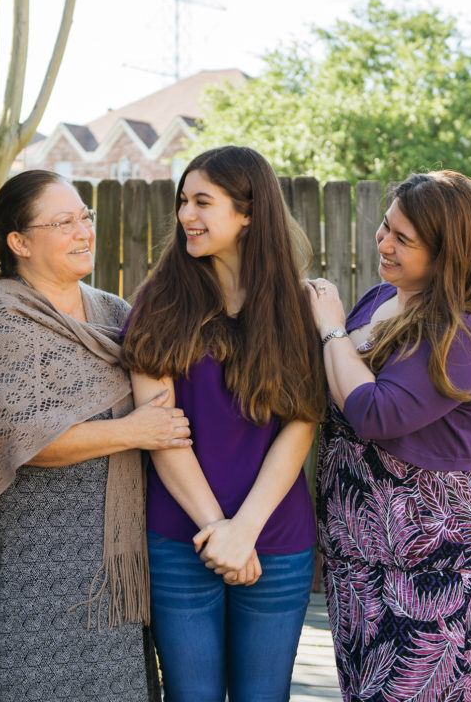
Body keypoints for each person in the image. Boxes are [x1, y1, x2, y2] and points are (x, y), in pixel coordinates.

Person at [0, 170, 192, 702]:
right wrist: (133, 431)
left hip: (112, 560)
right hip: (31, 558)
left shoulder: (114, 313)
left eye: (85, 217)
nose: (83, 230)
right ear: (19, 242)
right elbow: (17, 439)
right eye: (63, 221)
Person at [120, 145, 326, 701]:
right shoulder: (158, 303)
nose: (186, 214)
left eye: (203, 202)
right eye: (183, 201)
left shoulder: (298, 309)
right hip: (178, 539)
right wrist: (219, 532)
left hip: (276, 540)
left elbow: (301, 423)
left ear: (249, 213)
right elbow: (159, 429)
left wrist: (246, 530)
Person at [306, 170, 471, 702]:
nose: (384, 243)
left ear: (448, 255)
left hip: (430, 564)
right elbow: (329, 389)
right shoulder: (381, 298)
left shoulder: (463, 333)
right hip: (357, 554)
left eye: (404, 239)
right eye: (385, 226)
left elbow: (375, 414)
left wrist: (332, 328)